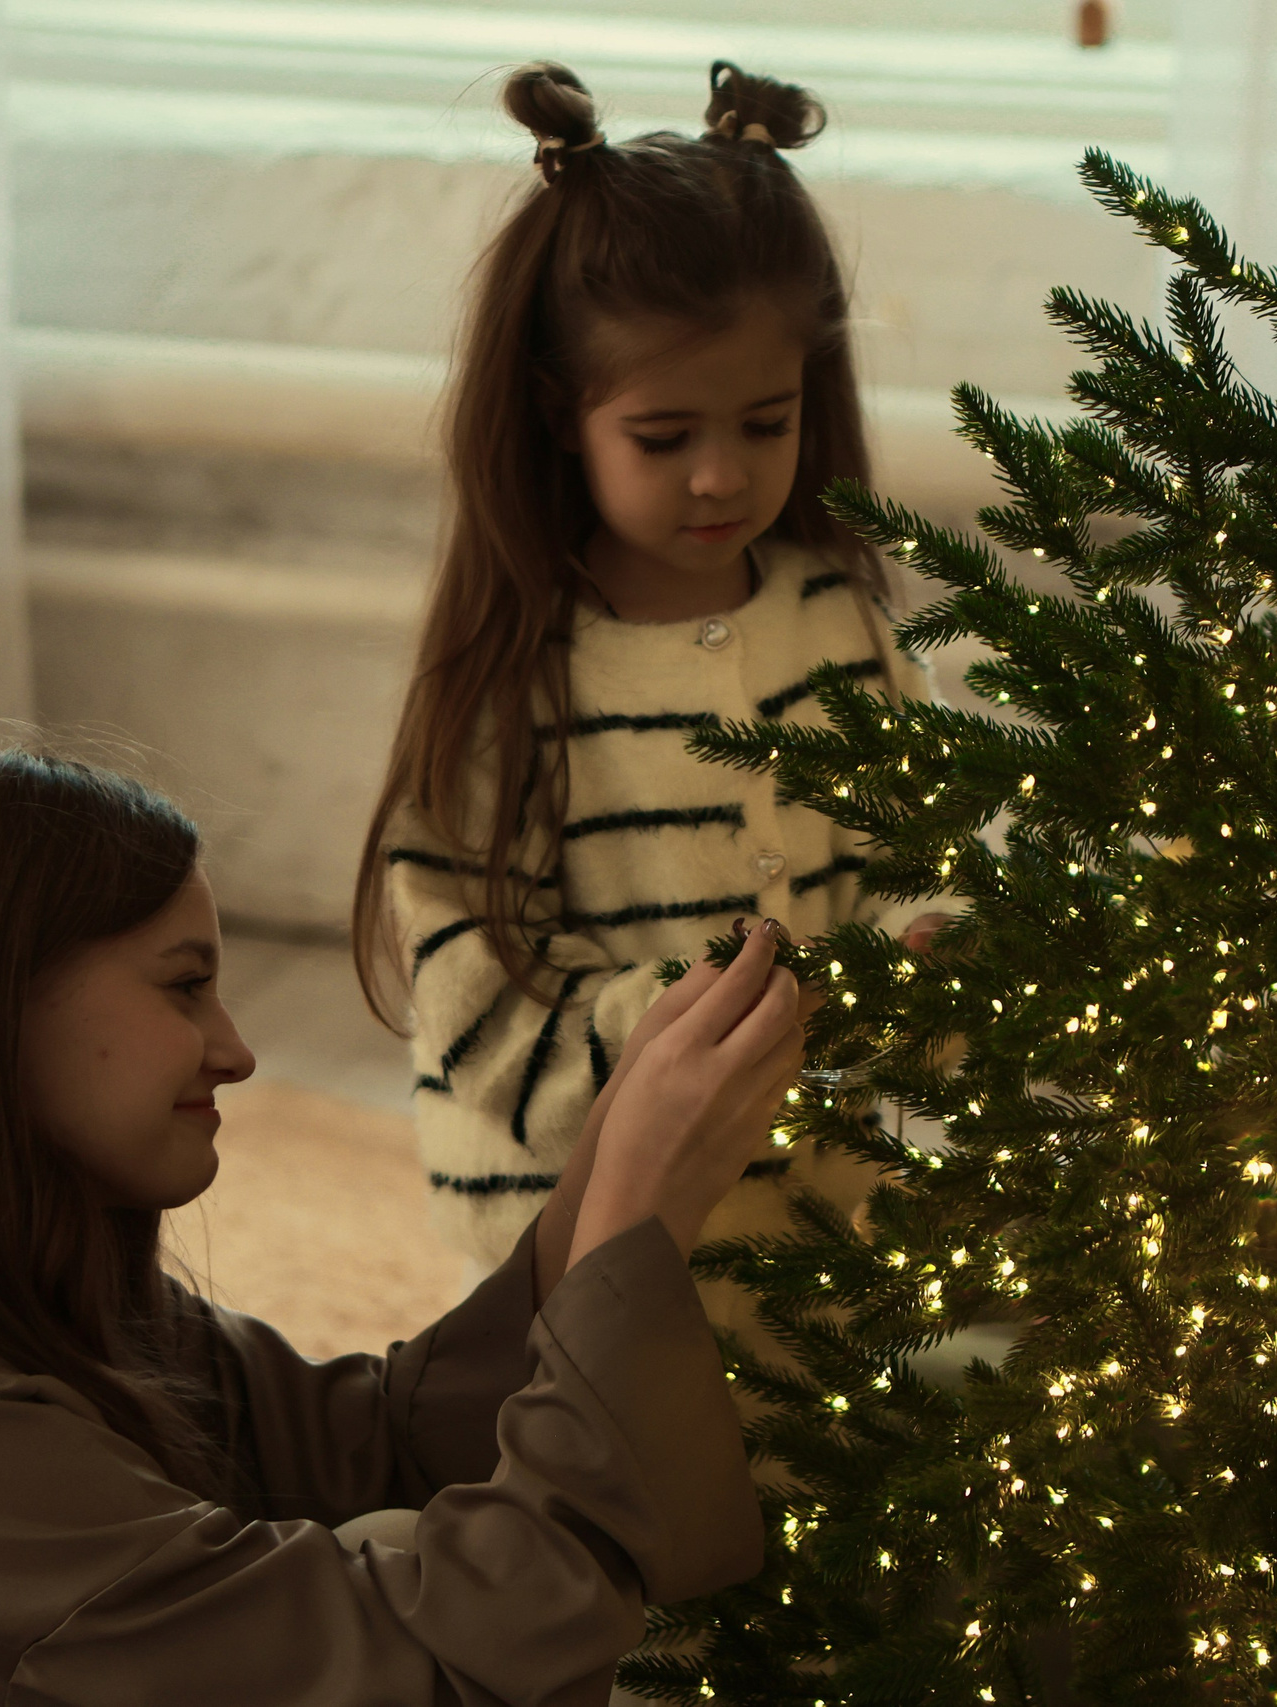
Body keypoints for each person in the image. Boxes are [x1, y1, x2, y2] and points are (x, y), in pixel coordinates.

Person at [0, 749, 804, 1706]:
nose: (234, 1047)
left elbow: (381, 1438)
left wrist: (598, 1182)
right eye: (186, 987)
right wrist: (640, 1228)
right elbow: (436, 1671)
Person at [352, 60, 947, 1302]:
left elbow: (914, 865)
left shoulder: (839, 615)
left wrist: (924, 954)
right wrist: (725, 1022)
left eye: (766, 423)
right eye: (665, 438)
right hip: (579, 1262)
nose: (722, 477)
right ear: (563, 415)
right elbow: (483, 1016)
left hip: (818, 1242)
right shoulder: (513, 678)